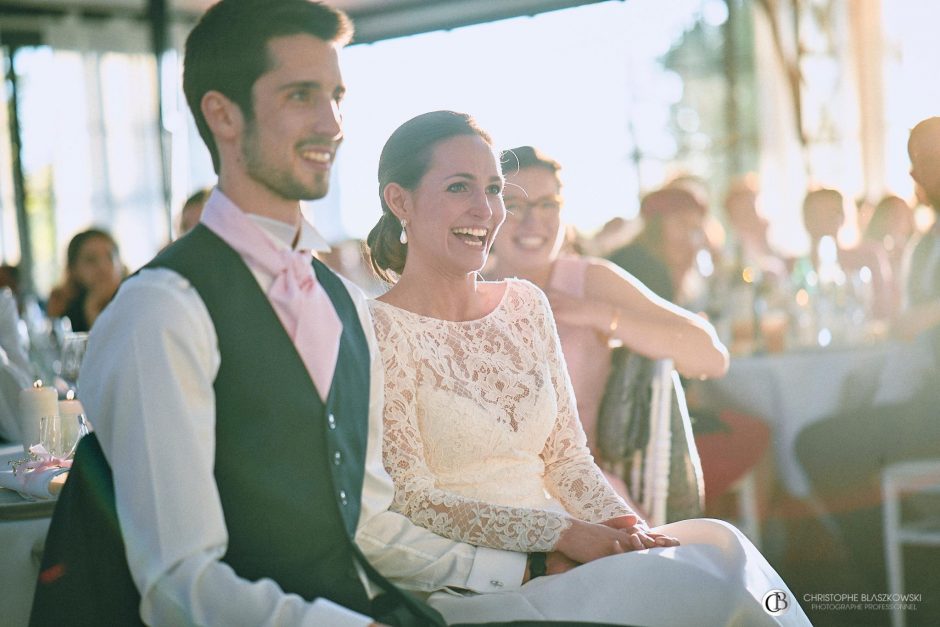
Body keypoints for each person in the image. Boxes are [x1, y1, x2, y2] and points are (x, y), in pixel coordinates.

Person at [29, 4, 518, 626]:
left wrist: (515, 566)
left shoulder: (342, 301)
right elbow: (180, 586)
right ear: (223, 114)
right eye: (301, 95)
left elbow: (363, 522)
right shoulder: (161, 311)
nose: (331, 122)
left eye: (337, 95)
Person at [365, 110, 810, 626]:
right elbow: (413, 497)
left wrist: (623, 523)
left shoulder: (525, 305)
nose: (485, 210)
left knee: (722, 550)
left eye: (492, 189)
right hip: (486, 581)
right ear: (400, 201)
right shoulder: (376, 328)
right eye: (460, 187)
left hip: (573, 542)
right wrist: (559, 539)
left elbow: (567, 457)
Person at [485, 145, 728, 501]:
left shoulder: (589, 280)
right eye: (514, 205)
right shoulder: (464, 285)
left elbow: (710, 356)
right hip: (485, 492)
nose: (532, 221)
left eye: (548, 204)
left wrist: (599, 315)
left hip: (579, 492)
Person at [796, 117, 940, 621]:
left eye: (929, 157)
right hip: (923, 402)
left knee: (819, 445)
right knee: (827, 434)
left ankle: (901, 583)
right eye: (917, 159)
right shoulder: (928, 240)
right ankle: (902, 573)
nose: (919, 170)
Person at [606, 186, 708, 305]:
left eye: (695, 230)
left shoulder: (681, 276)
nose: (689, 238)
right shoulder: (633, 262)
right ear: (656, 226)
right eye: (682, 224)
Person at [45, 228, 124, 332]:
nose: (103, 267)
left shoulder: (133, 300)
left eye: (110, 257)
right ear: (74, 269)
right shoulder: (66, 312)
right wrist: (92, 310)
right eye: (91, 260)